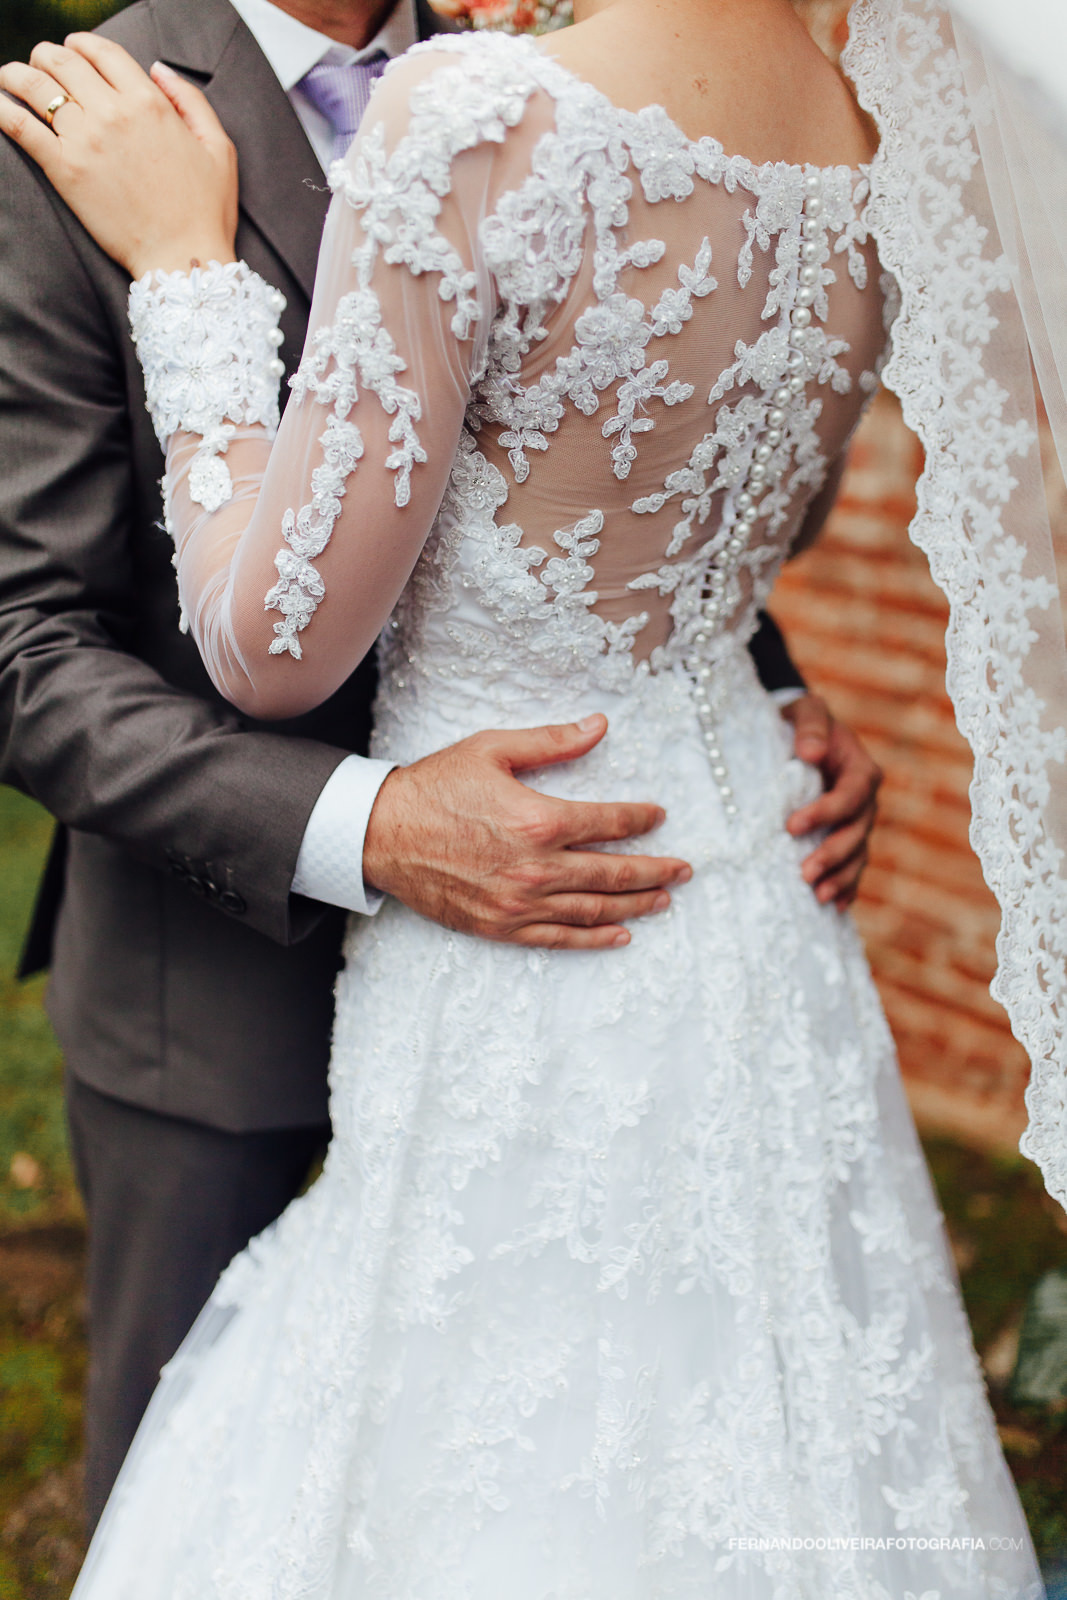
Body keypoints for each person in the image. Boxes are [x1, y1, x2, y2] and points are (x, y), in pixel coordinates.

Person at [0, 0, 1044, 1594]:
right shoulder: (85, 110)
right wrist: (368, 823)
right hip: (215, 995)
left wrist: (764, 688)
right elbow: (23, 647)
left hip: (577, 956)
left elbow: (641, 511)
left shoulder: (485, 88)